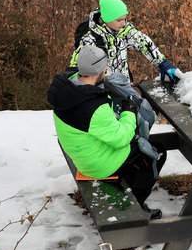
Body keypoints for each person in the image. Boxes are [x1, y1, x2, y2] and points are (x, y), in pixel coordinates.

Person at [47, 44, 164, 218]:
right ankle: (136, 210)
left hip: (83, 152)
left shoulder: (68, 87)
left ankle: (126, 183)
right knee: (155, 153)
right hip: (98, 165)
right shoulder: (93, 107)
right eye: (105, 68)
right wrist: (129, 112)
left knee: (142, 146)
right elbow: (121, 138)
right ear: (99, 70)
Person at [69, 0, 182, 85]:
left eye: (124, 19)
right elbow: (76, 68)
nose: (123, 23)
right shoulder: (90, 40)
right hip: (102, 92)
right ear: (106, 19)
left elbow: (143, 42)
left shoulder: (124, 32)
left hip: (123, 87)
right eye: (119, 20)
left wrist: (162, 63)